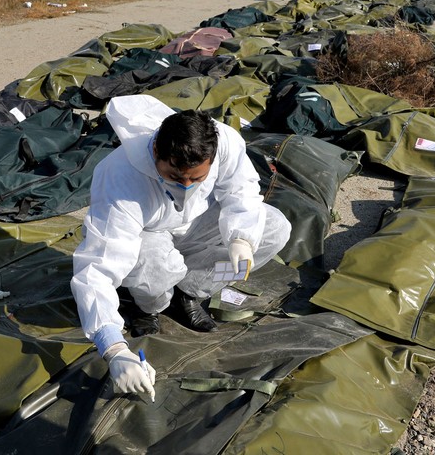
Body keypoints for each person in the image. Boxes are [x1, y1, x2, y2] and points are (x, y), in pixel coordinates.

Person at [70, 95, 292, 400]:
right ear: (157, 152)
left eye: (196, 178)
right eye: (175, 176)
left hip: (197, 223)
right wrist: (114, 349)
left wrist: (241, 238)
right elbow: (98, 266)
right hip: (148, 236)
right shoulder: (121, 177)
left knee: (274, 228)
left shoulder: (223, 142)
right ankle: (150, 303)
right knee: (156, 269)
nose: (185, 186)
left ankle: (190, 291)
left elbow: (241, 192)